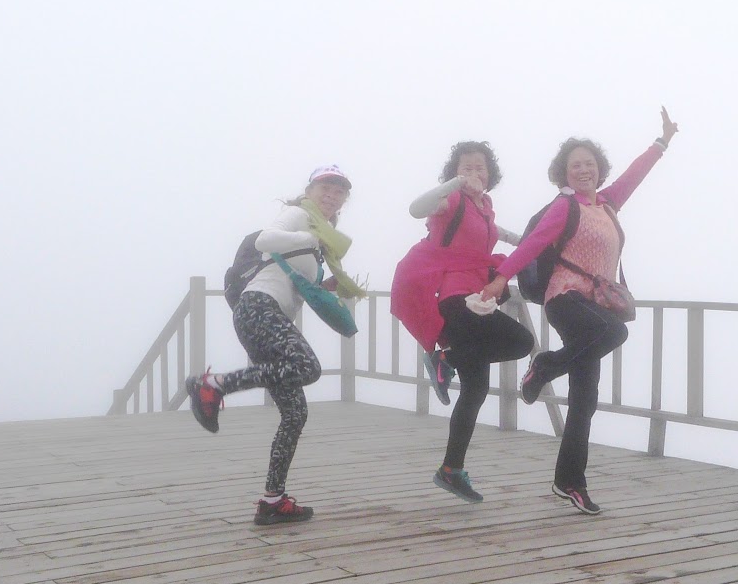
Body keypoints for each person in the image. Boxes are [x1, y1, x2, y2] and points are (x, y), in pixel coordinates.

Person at [480, 109, 680, 514]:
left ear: (598, 169)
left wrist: (662, 142)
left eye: (590, 164)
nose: (584, 170)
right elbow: (533, 244)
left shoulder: (607, 204)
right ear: (565, 173)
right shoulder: (564, 206)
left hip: (595, 305)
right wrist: (501, 278)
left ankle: (569, 481)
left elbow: (634, 176)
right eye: (576, 165)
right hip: (565, 298)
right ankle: (545, 365)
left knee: (585, 399)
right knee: (615, 332)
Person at [185, 164, 362, 526]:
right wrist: (309, 238)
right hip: (258, 308)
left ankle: (272, 501)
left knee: (295, 414)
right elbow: (266, 241)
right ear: (309, 191)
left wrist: (326, 286)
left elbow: (290, 278)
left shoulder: (320, 242)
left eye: (339, 191)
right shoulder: (300, 217)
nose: (332, 195)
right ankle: (213, 384)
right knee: (307, 366)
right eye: (326, 187)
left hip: (266, 316)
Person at [392, 141, 534, 503]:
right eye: (466, 166)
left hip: (478, 296)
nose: (475, 172)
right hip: (455, 297)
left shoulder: (484, 208)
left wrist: (541, 243)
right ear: (455, 173)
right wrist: (456, 184)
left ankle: (451, 470)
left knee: (475, 389)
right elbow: (415, 209)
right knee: (521, 341)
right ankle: (445, 359)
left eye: (480, 167)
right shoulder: (451, 200)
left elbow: (506, 236)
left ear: (490, 174)